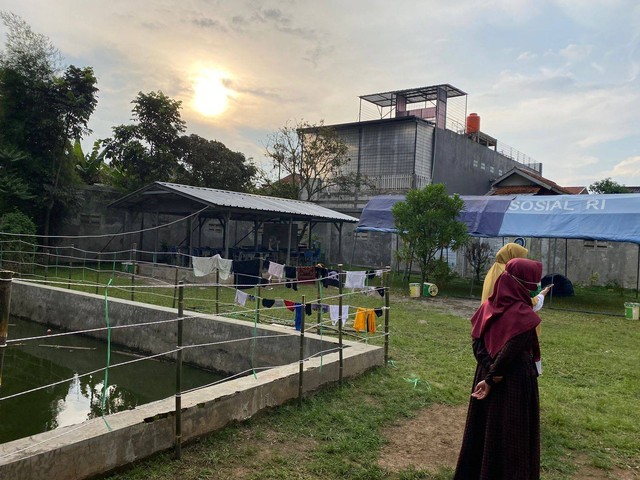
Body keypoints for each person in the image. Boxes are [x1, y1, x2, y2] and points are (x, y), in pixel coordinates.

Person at [454, 258, 546, 480]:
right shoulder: (524, 316)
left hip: (486, 376)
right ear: (522, 285)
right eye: (533, 284)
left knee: (484, 429)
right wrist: (494, 377)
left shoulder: (487, 307)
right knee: (510, 434)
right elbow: (511, 351)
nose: (535, 289)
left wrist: (488, 373)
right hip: (512, 382)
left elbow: (477, 342)